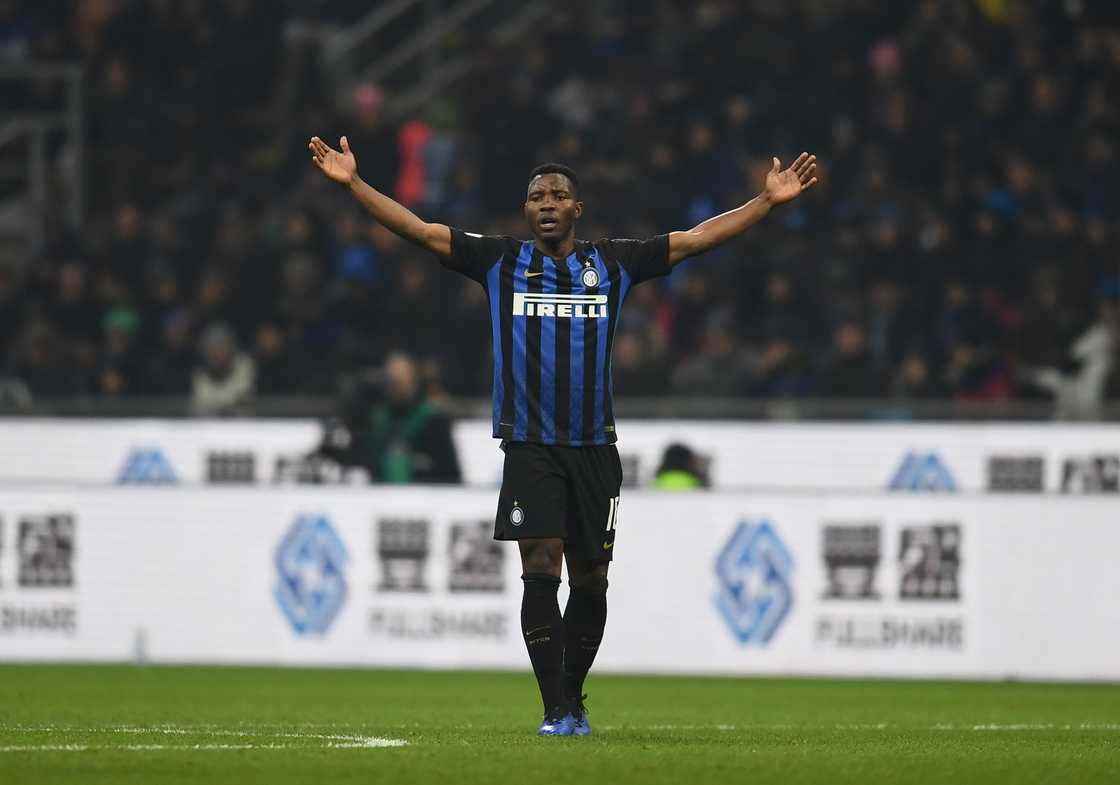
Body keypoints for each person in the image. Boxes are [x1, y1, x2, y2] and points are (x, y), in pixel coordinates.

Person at [308, 133, 817, 736]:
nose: (546, 202)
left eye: (558, 194)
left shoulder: (615, 263)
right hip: (529, 445)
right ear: (527, 211)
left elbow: (696, 239)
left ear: (577, 209)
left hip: (595, 448)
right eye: (536, 196)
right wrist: (356, 185)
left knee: (592, 579)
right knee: (539, 562)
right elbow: (420, 230)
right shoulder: (498, 261)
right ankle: (555, 711)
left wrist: (763, 203)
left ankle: (572, 699)